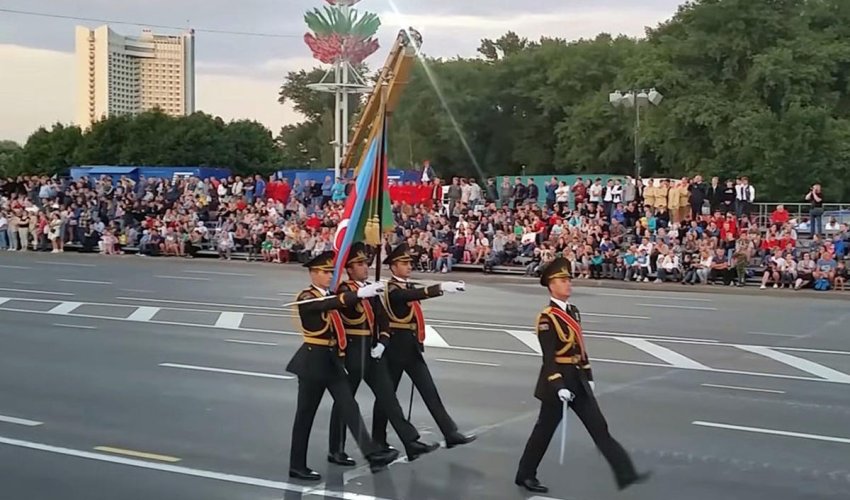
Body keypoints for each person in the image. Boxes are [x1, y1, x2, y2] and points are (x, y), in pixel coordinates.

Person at [515, 257, 650, 494]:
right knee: (543, 431)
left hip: (577, 379)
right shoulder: (547, 318)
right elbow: (548, 359)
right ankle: (525, 475)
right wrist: (559, 387)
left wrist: (588, 374)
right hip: (557, 383)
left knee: (599, 427)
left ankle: (626, 473)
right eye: (563, 280)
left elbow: (580, 347)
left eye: (568, 280)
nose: (569, 285)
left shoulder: (573, 312)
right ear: (551, 285)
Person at [286, 251, 399, 481]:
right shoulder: (307, 296)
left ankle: (372, 455)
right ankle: (297, 465)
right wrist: (358, 293)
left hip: (333, 362)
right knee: (305, 416)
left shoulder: (329, 294)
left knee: (350, 408)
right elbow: (332, 302)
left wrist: (365, 294)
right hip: (312, 363)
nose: (330, 276)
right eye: (325, 272)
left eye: (331, 272)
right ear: (313, 273)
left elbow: (339, 303)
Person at [327, 242, 440, 466]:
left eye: (365, 263)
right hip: (352, 352)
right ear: (349, 269)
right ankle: (336, 450)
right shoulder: (345, 290)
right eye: (359, 264)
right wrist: (360, 293)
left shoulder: (372, 289)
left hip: (371, 351)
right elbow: (346, 306)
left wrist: (383, 342)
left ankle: (410, 441)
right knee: (345, 403)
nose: (365, 266)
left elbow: (382, 320)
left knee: (388, 396)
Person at [371, 243, 476, 451]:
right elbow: (410, 296)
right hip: (394, 349)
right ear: (393, 267)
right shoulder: (392, 289)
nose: (409, 267)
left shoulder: (405, 286)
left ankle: (450, 432)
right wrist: (440, 288)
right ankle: (378, 440)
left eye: (410, 263)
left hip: (411, 348)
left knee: (429, 391)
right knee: (386, 398)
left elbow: (413, 294)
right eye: (404, 263)